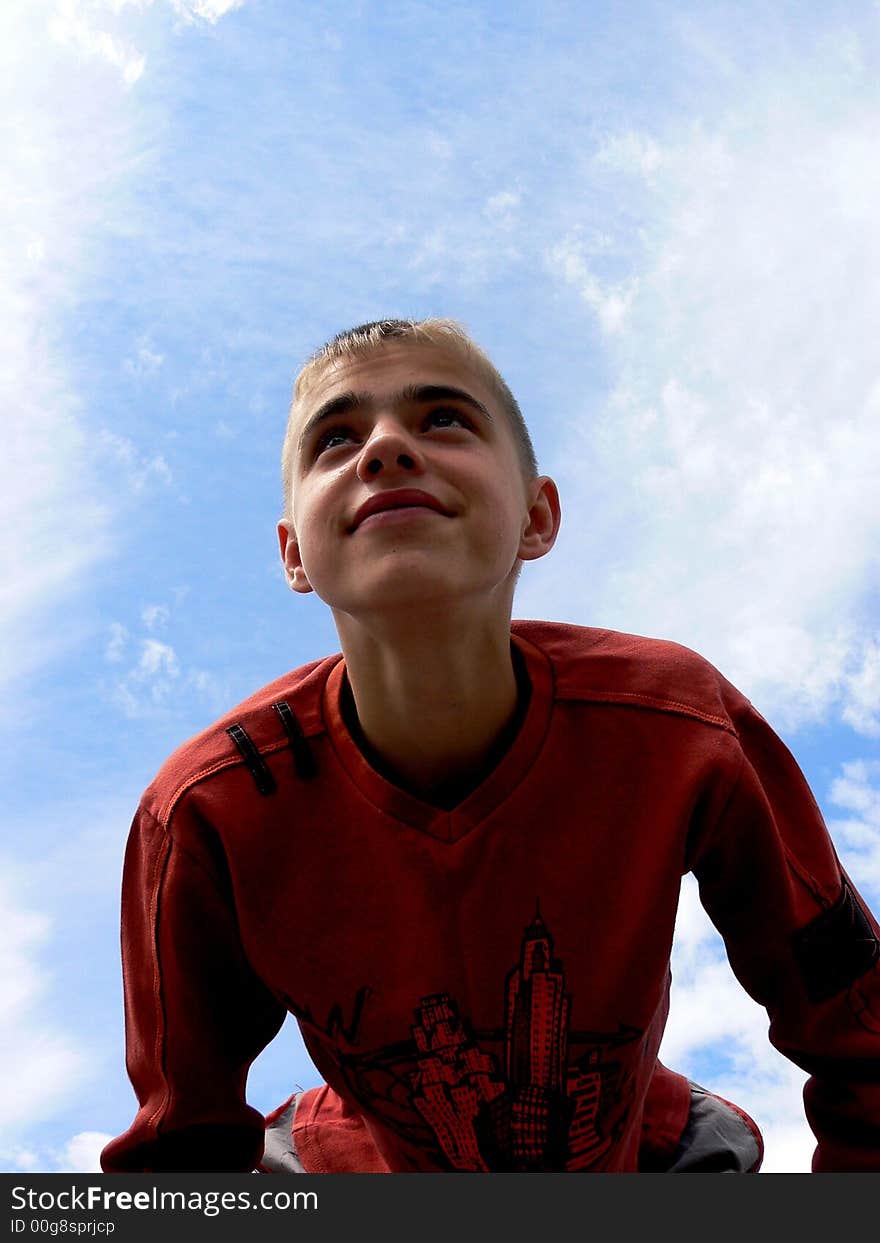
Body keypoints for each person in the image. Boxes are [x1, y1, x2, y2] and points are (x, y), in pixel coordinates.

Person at [101, 318, 880, 1174]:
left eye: (443, 419)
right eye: (336, 438)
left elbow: (859, 1028)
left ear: (536, 516)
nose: (387, 449)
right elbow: (180, 1148)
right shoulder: (206, 809)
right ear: (294, 553)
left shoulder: (680, 724)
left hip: (654, 1155)